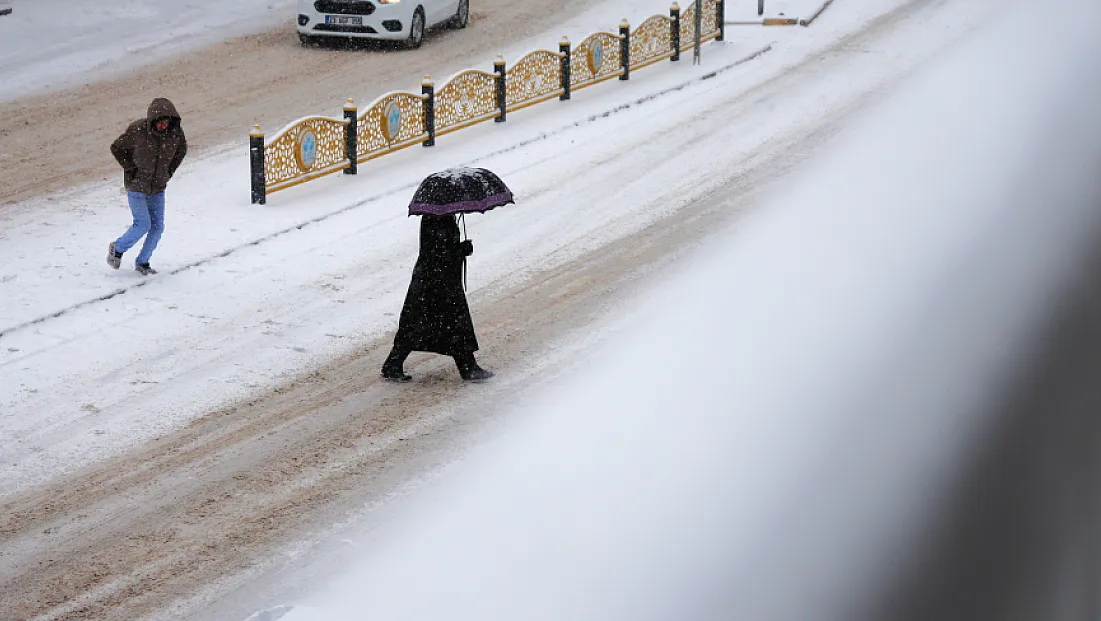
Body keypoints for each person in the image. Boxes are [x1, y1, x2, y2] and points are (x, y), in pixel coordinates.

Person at [382, 214, 494, 382]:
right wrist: (460, 250)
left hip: (432, 280)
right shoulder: (438, 219)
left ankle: (393, 364)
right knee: (453, 324)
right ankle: (468, 367)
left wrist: (458, 248)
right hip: (437, 282)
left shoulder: (439, 216)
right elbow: (439, 252)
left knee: (417, 325)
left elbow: (440, 250)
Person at [106, 98, 188, 275]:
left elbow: (182, 151)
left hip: (158, 187)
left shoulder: (175, 133)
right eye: (160, 122)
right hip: (136, 185)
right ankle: (117, 248)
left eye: (166, 122)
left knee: (157, 227)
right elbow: (117, 148)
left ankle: (143, 262)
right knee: (143, 224)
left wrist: (168, 172)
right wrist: (130, 169)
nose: (163, 126)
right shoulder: (138, 130)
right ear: (153, 120)